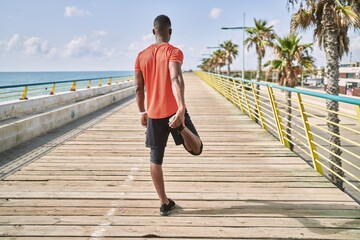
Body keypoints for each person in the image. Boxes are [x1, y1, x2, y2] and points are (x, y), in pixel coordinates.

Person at [134, 14, 203, 216]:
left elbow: (138, 89)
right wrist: (181, 108)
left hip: (154, 115)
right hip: (173, 111)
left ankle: (164, 203)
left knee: (155, 160)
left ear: (153, 31)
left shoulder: (141, 55)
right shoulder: (174, 51)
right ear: (170, 32)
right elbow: (175, 77)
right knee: (197, 149)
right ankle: (180, 127)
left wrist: (142, 111)